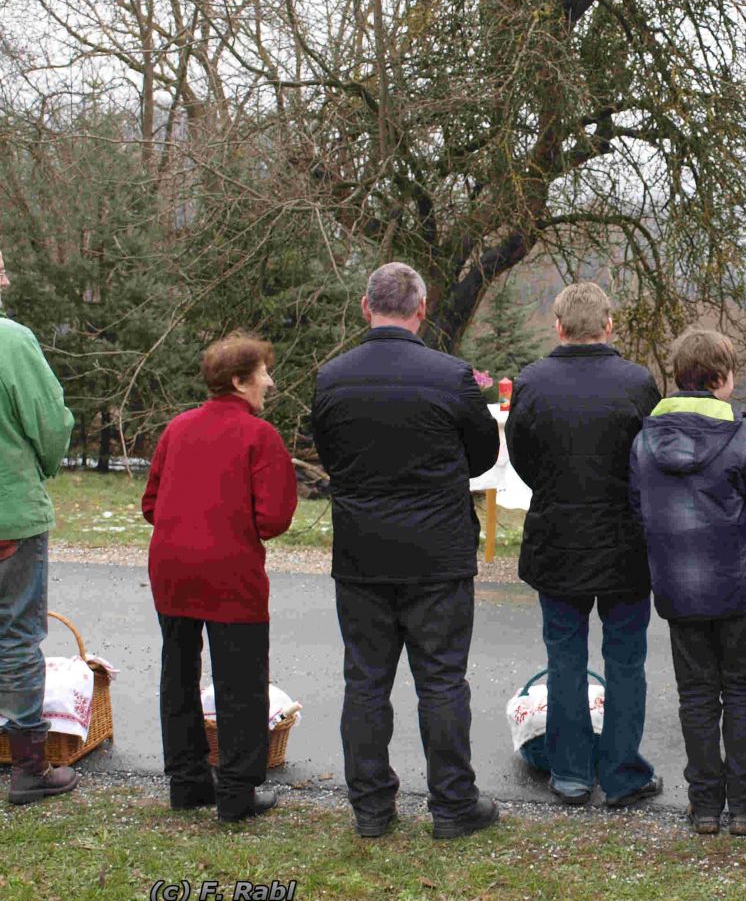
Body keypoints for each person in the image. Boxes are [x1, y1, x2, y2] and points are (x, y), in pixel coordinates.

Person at [311, 262, 501, 840]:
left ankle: (371, 808)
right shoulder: (451, 377)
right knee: (442, 680)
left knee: (365, 681)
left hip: (363, 551)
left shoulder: (332, 377)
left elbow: (330, 452)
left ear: (367, 308)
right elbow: (484, 456)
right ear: (420, 310)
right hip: (437, 552)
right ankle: (452, 804)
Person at [507, 281, 663, 809]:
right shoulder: (638, 383)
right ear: (609, 324)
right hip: (625, 541)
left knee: (565, 658)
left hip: (557, 538)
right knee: (625, 659)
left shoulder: (532, 382)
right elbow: (651, 460)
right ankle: (622, 773)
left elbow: (524, 459)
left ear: (558, 326)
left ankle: (572, 773)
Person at [629, 328, 746, 836]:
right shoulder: (743, 438)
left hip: (676, 584)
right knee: (741, 691)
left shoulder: (644, 441)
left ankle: (705, 806)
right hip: (736, 584)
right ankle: (745, 803)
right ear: (721, 378)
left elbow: (638, 510)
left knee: (696, 695)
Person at [142, 333, 298, 822]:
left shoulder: (177, 429)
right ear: (238, 381)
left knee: (178, 673)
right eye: (262, 374)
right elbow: (274, 518)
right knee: (241, 682)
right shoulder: (259, 436)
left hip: (170, 570)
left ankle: (187, 783)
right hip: (230, 573)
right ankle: (236, 792)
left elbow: (150, 504)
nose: (269, 382)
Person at [0, 247, 78, 805]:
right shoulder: (11, 341)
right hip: (8, 517)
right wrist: (43, 466)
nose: (8, 275)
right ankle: (28, 767)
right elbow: (51, 423)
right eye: (1, 267)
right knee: (18, 635)